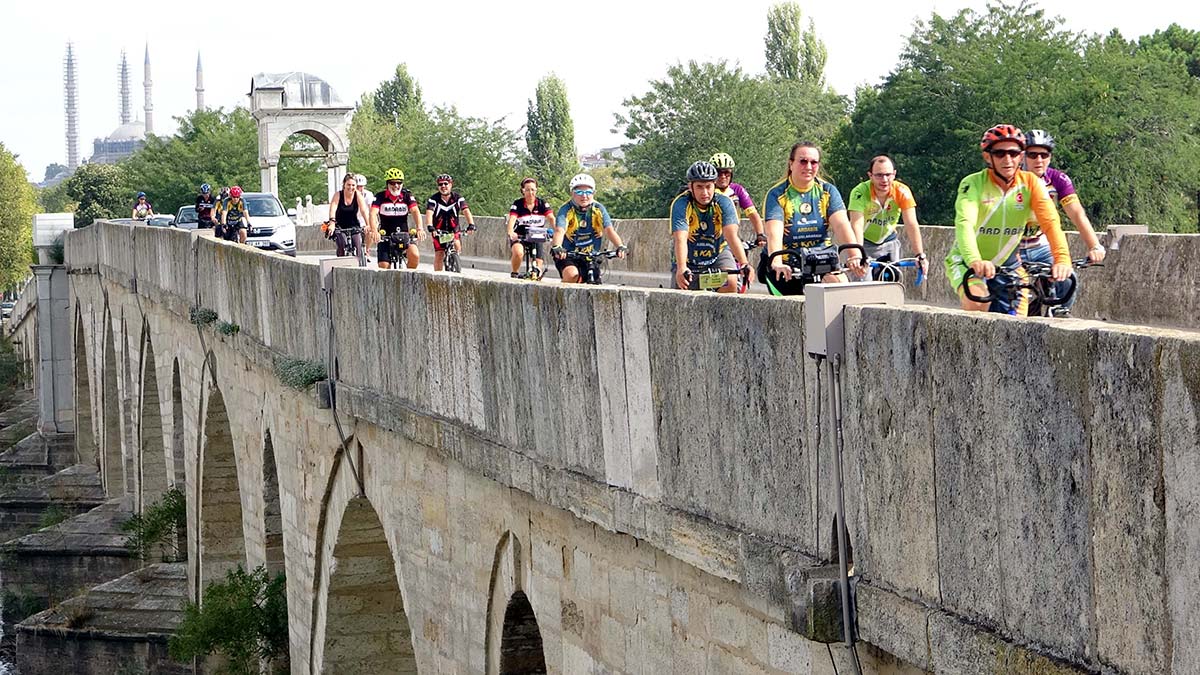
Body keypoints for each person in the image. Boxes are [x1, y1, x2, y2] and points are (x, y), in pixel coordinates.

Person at [946, 124, 1071, 315]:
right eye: (1000, 153)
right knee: (977, 302)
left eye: (1013, 153)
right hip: (967, 261)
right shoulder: (973, 183)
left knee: (1019, 323)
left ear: (1021, 156)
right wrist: (975, 260)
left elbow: (1051, 223)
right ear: (988, 156)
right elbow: (965, 224)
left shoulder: (1031, 183)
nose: (1008, 160)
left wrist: (1062, 259)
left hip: (1008, 264)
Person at [1020, 129, 1106, 316]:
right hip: (1012, 246)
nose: (1039, 160)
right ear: (1022, 156)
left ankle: (1059, 313)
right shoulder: (1013, 179)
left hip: (1040, 246)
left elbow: (1077, 214)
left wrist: (1094, 246)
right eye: (1032, 155)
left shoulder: (1058, 180)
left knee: (1068, 280)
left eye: (1044, 155)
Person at [760, 142, 863, 295]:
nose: (808, 167)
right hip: (788, 261)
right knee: (790, 309)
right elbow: (774, 233)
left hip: (821, 258)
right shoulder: (777, 194)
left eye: (813, 162)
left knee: (841, 289)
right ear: (791, 164)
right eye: (803, 161)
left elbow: (841, 224)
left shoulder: (827, 191)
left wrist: (854, 255)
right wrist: (777, 262)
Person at [669, 161, 752, 292]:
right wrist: (681, 267)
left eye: (708, 186)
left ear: (715, 185)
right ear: (691, 187)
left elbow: (731, 236)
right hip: (689, 257)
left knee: (731, 282)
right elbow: (680, 239)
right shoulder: (681, 203)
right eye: (699, 187)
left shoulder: (724, 202)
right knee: (682, 290)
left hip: (717, 254)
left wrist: (744, 263)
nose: (705, 192)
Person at [846, 155, 927, 279]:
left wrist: (920, 255)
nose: (884, 180)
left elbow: (911, 224)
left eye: (888, 175)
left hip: (889, 242)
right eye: (879, 175)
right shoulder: (860, 192)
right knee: (862, 286)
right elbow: (856, 224)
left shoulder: (902, 191)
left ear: (894, 174)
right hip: (865, 243)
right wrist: (858, 254)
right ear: (870, 175)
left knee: (892, 285)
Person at [551, 173, 626, 283]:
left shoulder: (598, 209)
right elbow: (560, 230)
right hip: (568, 254)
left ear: (593, 193)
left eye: (588, 192)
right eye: (579, 192)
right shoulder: (566, 209)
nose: (584, 196)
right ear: (572, 193)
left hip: (591, 255)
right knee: (572, 274)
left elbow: (609, 230)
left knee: (595, 282)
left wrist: (620, 246)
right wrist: (557, 246)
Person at [710, 152, 766, 248]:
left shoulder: (737, 189)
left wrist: (760, 234)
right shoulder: (707, 191)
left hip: (733, 237)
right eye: (719, 173)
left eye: (726, 173)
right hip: (711, 238)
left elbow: (752, 213)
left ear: (731, 174)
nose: (723, 176)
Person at [371, 167, 422, 270]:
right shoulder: (380, 196)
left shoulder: (407, 196)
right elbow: (372, 214)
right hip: (386, 235)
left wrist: (420, 228)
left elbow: (415, 211)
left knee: (414, 255)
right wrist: (374, 231)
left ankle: (408, 278)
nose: (396, 186)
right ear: (387, 184)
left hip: (404, 235)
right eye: (392, 183)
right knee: (384, 267)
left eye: (399, 183)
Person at [506, 177, 555, 279]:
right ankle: (514, 272)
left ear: (536, 190)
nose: (530, 193)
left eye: (533, 190)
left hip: (537, 235)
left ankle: (536, 276)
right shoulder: (518, 204)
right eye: (527, 190)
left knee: (538, 265)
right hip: (521, 235)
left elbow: (551, 218)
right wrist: (511, 232)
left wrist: (557, 232)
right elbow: (512, 219)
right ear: (523, 191)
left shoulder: (542, 204)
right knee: (518, 252)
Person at [425, 174, 476, 272]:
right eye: (440, 184)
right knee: (439, 254)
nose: (443, 186)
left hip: (453, 229)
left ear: (451, 185)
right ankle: (438, 277)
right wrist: (430, 226)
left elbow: (466, 210)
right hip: (438, 231)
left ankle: (454, 262)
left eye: (446, 184)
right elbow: (429, 213)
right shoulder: (434, 199)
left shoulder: (457, 198)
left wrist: (471, 224)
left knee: (456, 245)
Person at [327, 173, 371, 263]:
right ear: (344, 184)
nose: (351, 187)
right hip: (340, 225)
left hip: (354, 224)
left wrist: (368, 224)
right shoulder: (338, 195)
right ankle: (341, 264)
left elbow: (364, 210)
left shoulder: (358, 195)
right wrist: (332, 223)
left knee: (358, 244)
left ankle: (360, 265)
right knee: (342, 244)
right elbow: (333, 209)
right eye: (348, 185)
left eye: (353, 185)